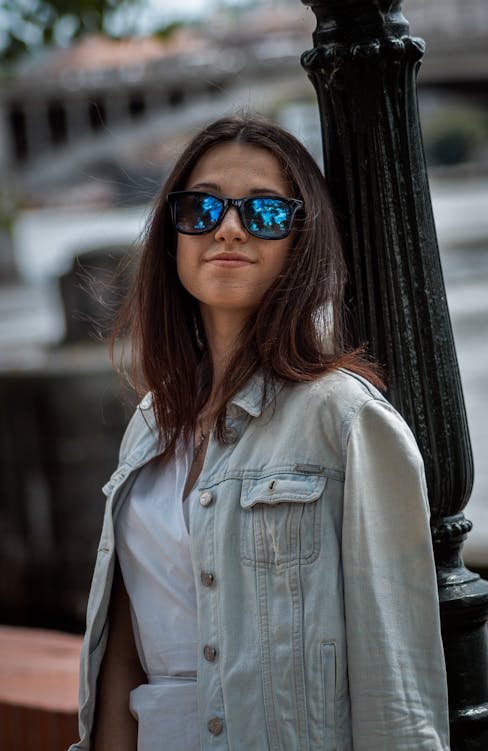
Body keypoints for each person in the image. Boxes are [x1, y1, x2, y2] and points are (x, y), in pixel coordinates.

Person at [69, 114, 450, 751]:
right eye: (201, 208)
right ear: (173, 236)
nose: (229, 228)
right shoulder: (150, 422)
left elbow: (396, 683)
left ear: (303, 239)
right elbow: (125, 660)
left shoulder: (346, 420)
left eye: (265, 212)